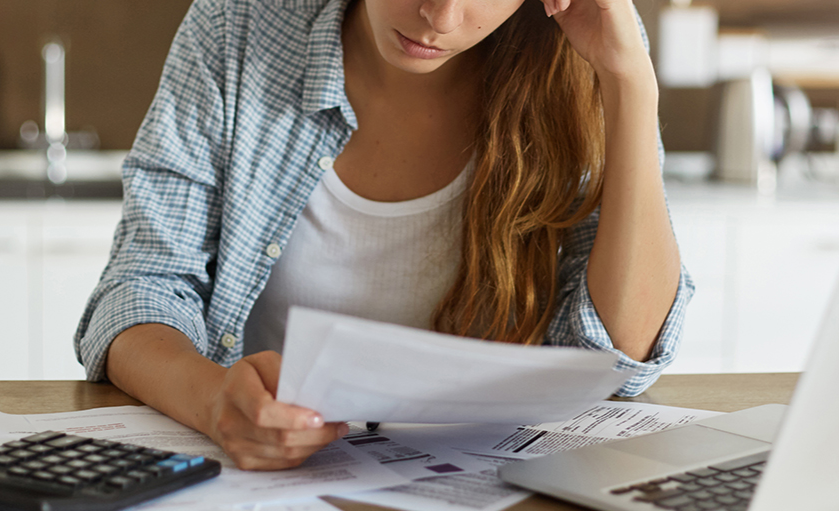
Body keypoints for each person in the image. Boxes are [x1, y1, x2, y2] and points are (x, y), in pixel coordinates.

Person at [76, 0, 693, 471]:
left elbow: (621, 360)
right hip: (273, 484)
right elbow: (141, 291)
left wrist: (629, 82)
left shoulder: (580, 54)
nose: (439, 17)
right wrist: (215, 401)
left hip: (484, 492)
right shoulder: (237, 27)